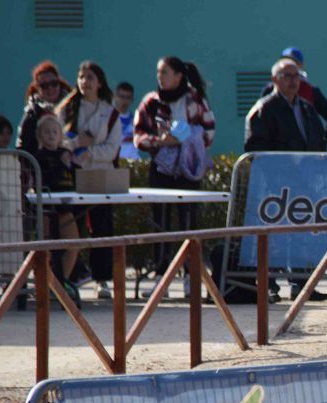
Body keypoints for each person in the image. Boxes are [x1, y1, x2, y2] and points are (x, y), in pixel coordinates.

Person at [245, 58, 327, 302]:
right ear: (275, 80)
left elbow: (318, 137)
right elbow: (254, 147)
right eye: (287, 76)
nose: (294, 81)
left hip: (304, 183)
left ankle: (303, 285)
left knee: (303, 234)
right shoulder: (264, 108)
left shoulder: (306, 108)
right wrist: (284, 164)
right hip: (274, 186)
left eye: (297, 76)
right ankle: (269, 284)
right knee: (274, 237)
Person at [134, 56, 215, 299]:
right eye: (159, 72)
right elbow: (138, 135)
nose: (160, 76)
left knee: (189, 222)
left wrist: (187, 138)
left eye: (165, 72)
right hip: (161, 169)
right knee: (161, 223)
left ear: (179, 75)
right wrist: (160, 142)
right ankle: (162, 277)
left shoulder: (196, 100)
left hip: (188, 169)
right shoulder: (150, 102)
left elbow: (209, 132)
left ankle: (191, 277)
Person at [57, 61, 122, 300]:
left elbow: (113, 148)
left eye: (90, 77)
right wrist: (76, 145)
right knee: (72, 225)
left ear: (100, 82)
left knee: (102, 225)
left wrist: (90, 151)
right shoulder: (67, 108)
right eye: (81, 76)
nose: (85, 81)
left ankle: (102, 278)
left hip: (101, 175)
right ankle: (71, 275)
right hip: (73, 174)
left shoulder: (111, 112)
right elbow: (56, 139)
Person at [33, 115, 82, 307]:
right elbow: (46, 181)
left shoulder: (66, 154)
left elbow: (75, 177)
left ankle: (59, 284)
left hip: (65, 208)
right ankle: (46, 283)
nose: (52, 135)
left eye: (55, 131)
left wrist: (74, 163)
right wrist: (61, 163)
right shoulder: (39, 157)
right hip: (46, 209)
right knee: (46, 249)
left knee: (73, 245)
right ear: (40, 135)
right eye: (47, 132)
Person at [259, 47, 327, 137]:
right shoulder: (270, 91)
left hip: (300, 149)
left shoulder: (311, 91)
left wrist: (321, 141)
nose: (289, 65)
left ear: (300, 66)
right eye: (286, 61)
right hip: (277, 148)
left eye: (293, 62)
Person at [16, 61, 71, 156]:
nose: (50, 88)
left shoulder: (72, 106)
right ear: (37, 89)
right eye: (44, 86)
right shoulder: (32, 112)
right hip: (40, 165)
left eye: (54, 83)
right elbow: (22, 144)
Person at [113, 81, 140, 161]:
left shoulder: (137, 120)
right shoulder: (108, 119)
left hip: (133, 162)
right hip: (114, 163)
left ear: (132, 99)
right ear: (115, 97)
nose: (124, 100)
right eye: (121, 96)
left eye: (128, 97)